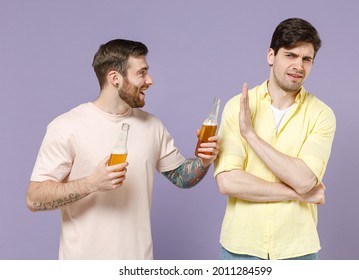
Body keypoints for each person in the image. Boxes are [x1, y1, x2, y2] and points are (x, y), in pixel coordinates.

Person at [27, 39, 219, 260]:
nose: (150, 80)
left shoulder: (152, 125)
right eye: (142, 73)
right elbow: (34, 199)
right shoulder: (66, 127)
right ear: (115, 78)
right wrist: (91, 183)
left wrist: (204, 161)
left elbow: (182, 178)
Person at [214, 18, 336, 260]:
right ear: (271, 56)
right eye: (290, 55)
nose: (299, 65)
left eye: (306, 59)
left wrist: (251, 135)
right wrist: (298, 194)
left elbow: (304, 180)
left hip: (297, 251)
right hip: (240, 249)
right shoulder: (237, 107)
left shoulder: (322, 115)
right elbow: (229, 182)